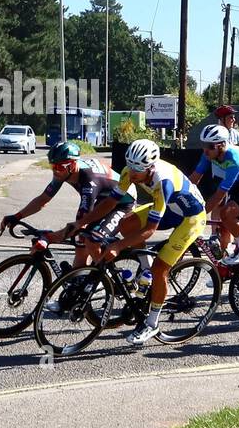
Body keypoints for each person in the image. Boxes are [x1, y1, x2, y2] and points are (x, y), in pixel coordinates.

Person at [72, 139, 207, 346]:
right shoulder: (129, 170)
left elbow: (150, 230)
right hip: (171, 209)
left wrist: (118, 245)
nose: (133, 174)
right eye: (131, 167)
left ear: (151, 167)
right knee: (126, 224)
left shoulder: (163, 182)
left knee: (160, 269)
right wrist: (82, 222)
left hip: (191, 217)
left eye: (139, 170)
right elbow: (111, 202)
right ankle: (145, 271)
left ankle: (152, 323)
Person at [2, 141, 135, 270]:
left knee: (91, 239)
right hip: (103, 198)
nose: (55, 171)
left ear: (72, 165)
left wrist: (48, 238)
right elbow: (43, 199)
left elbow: (79, 225)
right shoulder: (64, 173)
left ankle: (110, 279)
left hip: (123, 202)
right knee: (80, 243)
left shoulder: (89, 182)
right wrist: (16, 216)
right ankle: (80, 281)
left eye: (59, 167)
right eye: (52, 167)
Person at [189, 124, 239, 264]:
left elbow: (219, 195)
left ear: (221, 145)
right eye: (203, 144)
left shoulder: (234, 159)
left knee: (227, 213)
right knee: (225, 225)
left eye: (209, 146)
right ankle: (223, 272)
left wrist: (200, 216)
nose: (205, 149)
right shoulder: (208, 154)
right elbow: (194, 179)